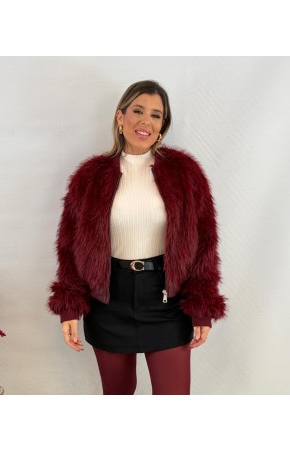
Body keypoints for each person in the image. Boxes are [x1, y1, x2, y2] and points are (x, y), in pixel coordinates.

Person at [47, 80, 227, 395]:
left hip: (167, 301)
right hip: (108, 301)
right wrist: (70, 307)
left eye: (156, 115)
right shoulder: (90, 178)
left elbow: (204, 245)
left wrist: (202, 307)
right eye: (138, 111)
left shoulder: (185, 174)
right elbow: (69, 246)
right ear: (121, 117)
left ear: (162, 127)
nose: (146, 121)